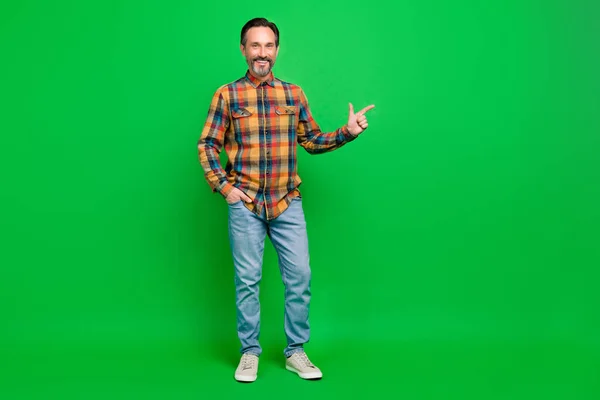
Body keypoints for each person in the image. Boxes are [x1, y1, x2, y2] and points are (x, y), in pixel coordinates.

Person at [197, 17, 374, 382]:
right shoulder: (226, 95)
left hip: (286, 202)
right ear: (244, 49)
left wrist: (348, 133)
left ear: (277, 50)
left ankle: (296, 351)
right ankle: (249, 353)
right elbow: (208, 144)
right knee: (247, 280)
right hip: (245, 204)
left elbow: (311, 140)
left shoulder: (293, 94)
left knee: (300, 277)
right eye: (255, 45)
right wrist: (224, 187)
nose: (262, 53)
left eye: (269, 45)